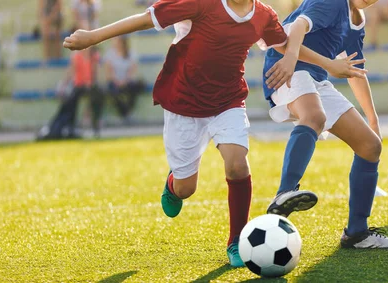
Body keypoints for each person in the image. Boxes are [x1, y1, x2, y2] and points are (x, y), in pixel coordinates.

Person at [63, 0, 293, 268]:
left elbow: (287, 43)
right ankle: (173, 184)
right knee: (186, 188)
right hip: (183, 105)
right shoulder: (200, 3)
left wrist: (306, 60)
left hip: (227, 102)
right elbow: (145, 19)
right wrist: (93, 37)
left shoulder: (263, 15)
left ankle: (236, 241)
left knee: (237, 164)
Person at [262, 0, 388, 249]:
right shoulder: (332, 2)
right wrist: (327, 65)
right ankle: (284, 194)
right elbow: (293, 32)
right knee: (315, 117)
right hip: (285, 68)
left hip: (315, 77)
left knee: (370, 146)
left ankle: (357, 233)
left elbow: (354, 69)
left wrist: (373, 118)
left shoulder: (357, 20)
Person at [37, 45, 100, 140]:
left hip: (89, 86)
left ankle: (70, 126)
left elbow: (94, 74)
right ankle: (64, 126)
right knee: (70, 101)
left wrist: (89, 83)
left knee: (92, 95)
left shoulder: (94, 55)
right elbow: (71, 72)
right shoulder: (76, 55)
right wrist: (63, 85)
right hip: (78, 86)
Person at [104, 36, 143, 123]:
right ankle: (126, 113)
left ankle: (127, 113)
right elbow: (109, 72)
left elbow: (132, 71)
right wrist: (117, 81)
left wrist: (124, 81)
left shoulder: (131, 53)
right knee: (113, 91)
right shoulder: (110, 54)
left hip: (127, 81)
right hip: (114, 82)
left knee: (136, 86)